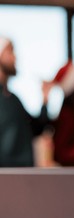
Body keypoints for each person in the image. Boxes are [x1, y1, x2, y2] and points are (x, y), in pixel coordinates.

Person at [0, 36, 50, 167]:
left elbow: (36, 128)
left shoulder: (13, 100)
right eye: (10, 51)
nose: (15, 57)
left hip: (22, 176)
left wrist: (45, 99)